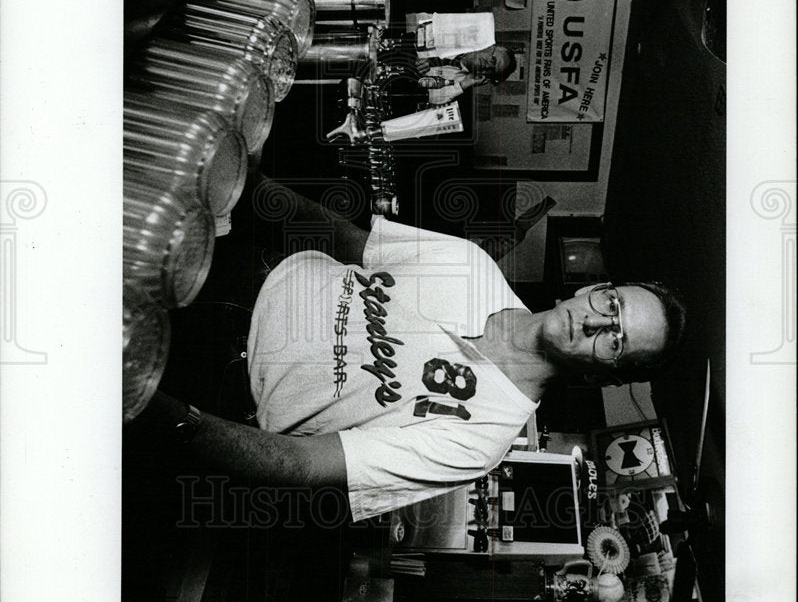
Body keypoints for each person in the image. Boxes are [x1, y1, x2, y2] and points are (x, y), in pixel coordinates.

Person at [141, 176, 686, 523]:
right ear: (594, 288)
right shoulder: (474, 266)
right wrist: (237, 176)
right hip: (229, 267)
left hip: (213, 382)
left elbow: (304, 465)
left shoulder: (482, 440)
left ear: (607, 375)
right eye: (610, 304)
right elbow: (337, 235)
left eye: (615, 341)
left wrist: (161, 415)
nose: (594, 322)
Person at [417, 43, 517, 104]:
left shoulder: (461, 82)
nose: (488, 66)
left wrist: (464, 84)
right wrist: (421, 54)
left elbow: (431, 99)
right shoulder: (459, 37)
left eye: (492, 71)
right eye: (493, 60)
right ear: (490, 47)